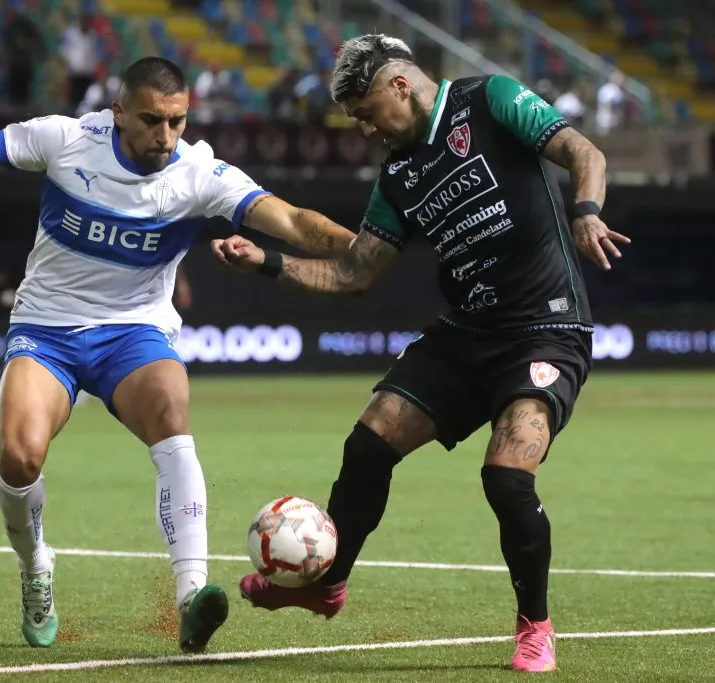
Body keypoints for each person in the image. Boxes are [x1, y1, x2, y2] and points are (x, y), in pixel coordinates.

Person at [0, 57, 355, 652]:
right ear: (118, 113)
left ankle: (193, 594)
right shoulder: (65, 140)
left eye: (177, 121)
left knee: (172, 411)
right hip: (48, 326)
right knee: (18, 457)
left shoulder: (198, 171)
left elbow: (292, 220)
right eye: (151, 121)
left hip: (134, 331)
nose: (166, 135)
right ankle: (36, 564)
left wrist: (366, 246)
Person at [216, 34, 630, 673]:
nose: (363, 129)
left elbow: (583, 151)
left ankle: (535, 626)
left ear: (399, 86)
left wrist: (587, 211)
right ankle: (327, 584)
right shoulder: (397, 177)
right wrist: (268, 262)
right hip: (466, 334)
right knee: (368, 444)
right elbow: (355, 273)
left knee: (506, 475)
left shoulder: (490, 101)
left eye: (364, 113)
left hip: (546, 330)